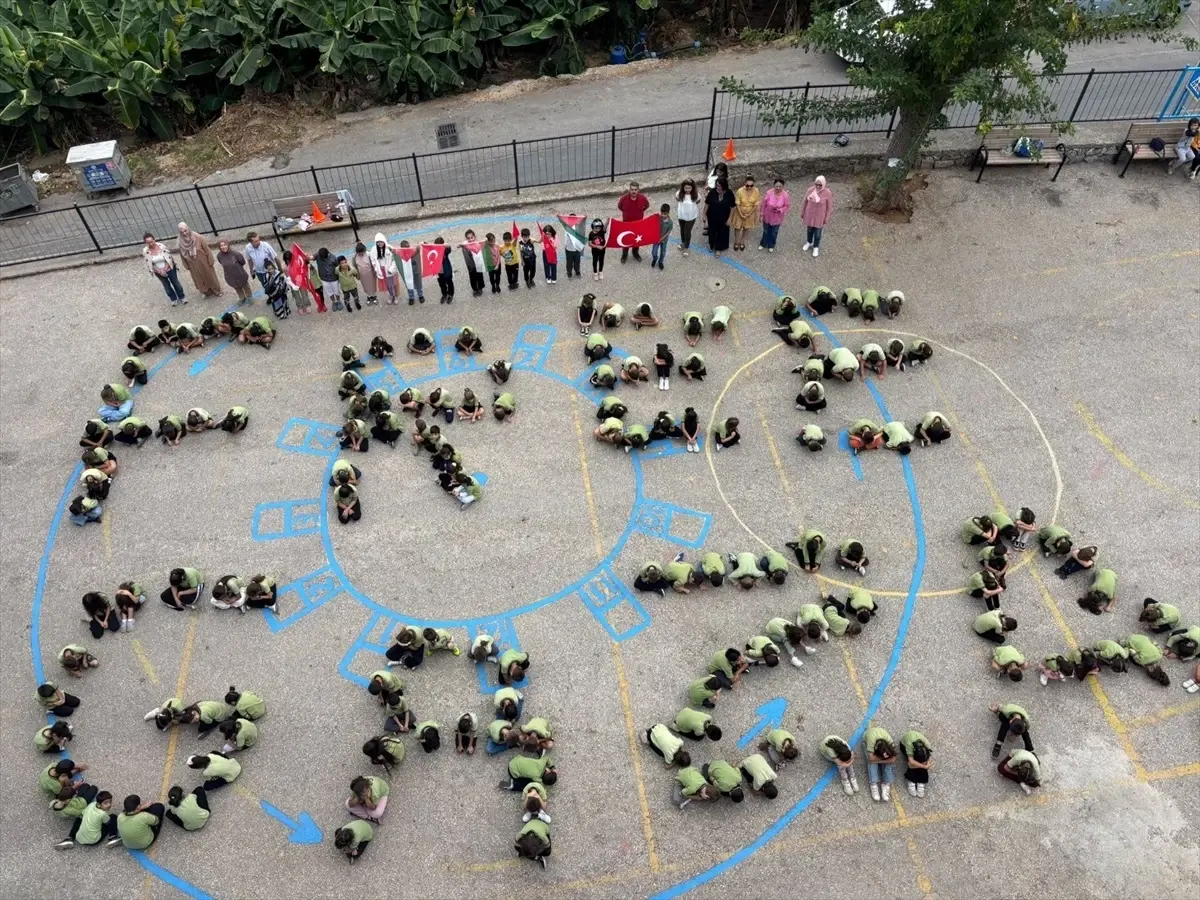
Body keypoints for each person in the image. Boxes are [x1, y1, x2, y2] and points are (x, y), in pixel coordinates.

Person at [174, 222, 221, 297]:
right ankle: (206, 292)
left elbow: (207, 249)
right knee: (199, 278)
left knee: (209, 275)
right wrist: (186, 265)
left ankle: (216, 291)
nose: (184, 233)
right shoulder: (180, 241)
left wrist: (210, 260)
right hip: (192, 264)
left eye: (185, 231)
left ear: (188, 229)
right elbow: (182, 255)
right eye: (182, 232)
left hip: (203, 261)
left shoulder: (197, 237)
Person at [143, 233, 186, 306]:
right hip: (158, 272)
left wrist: (165, 268)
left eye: (152, 241)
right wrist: (159, 271)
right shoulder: (145, 251)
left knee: (176, 283)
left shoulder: (162, 247)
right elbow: (149, 264)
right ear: (146, 243)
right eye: (148, 243)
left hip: (169, 268)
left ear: (154, 240)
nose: (151, 244)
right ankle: (173, 298)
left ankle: (182, 296)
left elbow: (169, 258)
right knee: (167, 286)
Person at [800, 175, 834, 257]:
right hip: (810, 214)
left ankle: (816, 246)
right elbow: (805, 202)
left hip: (820, 216)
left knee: (818, 233)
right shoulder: (810, 190)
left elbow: (829, 207)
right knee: (809, 230)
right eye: (816, 184)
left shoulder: (827, 193)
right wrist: (802, 212)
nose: (818, 186)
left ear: (823, 184)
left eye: (820, 185)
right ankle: (809, 242)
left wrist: (826, 218)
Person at [617, 181, 650, 263]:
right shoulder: (624, 198)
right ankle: (624, 255)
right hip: (626, 224)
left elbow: (647, 205)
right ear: (629, 190)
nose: (633, 191)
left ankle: (635, 253)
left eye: (635, 189)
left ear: (638, 190)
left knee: (637, 240)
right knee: (626, 240)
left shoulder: (642, 198)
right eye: (632, 189)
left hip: (638, 224)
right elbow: (620, 206)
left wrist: (641, 212)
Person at [730, 174, 761, 252]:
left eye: (751, 185)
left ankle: (742, 241)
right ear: (744, 183)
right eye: (748, 185)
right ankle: (736, 241)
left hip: (750, 213)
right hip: (739, 212)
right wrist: (741, 214)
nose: (749, 187)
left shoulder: (756, 190)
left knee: (746, 228)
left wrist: (750, 214)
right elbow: (737, 203)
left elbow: (756, 203)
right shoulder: (740, 191)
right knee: (737, 228)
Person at [758, 178, 791, 251]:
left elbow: (787, 206)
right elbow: (763, 204)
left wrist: (780, 210)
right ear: (774, 185)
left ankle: (771, 245)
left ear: (783, 186)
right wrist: (761, 215)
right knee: (766, 231)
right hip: (767, 216)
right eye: (776, 186)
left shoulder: (785, 195)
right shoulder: (769, 193)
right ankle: (763, 243)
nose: (778, 188)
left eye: (780, 186)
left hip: (777, 217)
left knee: (774, 232)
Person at [705, 177, 734, 257]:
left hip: (724, 217)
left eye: (719, 186)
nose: (717, 187)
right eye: (717, 185)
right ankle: (712, 245)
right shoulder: (712, 192)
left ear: (724, 186)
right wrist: (704, 215)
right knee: (712, 231)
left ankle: (718, 248)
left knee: (722, 232)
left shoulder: (729, 193)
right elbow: (707, 204)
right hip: (712, 216)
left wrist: (730, 218)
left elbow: (732, 207)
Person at [370, 234, 401, 304]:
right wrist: (376, 269)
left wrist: (391, 269)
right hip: (381, 271)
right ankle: (391, 295)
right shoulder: (373, 250)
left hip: (390, 270)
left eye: (381, 241)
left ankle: (396, 296)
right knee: (387, 285)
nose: (379, 243)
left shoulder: (390, 248)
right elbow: (373, 260)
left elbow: (395, 260)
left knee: (394, 284)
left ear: (384, 241)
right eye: (378, 242)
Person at [676, 179, 700, 255]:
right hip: (681, 215)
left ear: (692, 188)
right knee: (682, 230)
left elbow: (698, 201)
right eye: (685, 188)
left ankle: (686, 248)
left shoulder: (696, 195)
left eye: (689, 188)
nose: (687, 190)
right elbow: (677, 199)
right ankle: (683, 243)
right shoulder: (678, 194)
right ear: (683, 187)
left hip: (691, 217)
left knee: (687, 232)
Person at [651, 203, 673, 270]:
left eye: (665, 214)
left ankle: (660, 262)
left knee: (663, 253)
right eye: (662, 213)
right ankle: (655, 258)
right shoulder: (658, 218)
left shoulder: (670, 222)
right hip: (656, 239)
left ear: (668, 213)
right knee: (654, 252)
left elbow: (668, 232)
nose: (663, 215)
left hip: (663, 240)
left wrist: (661, 238)